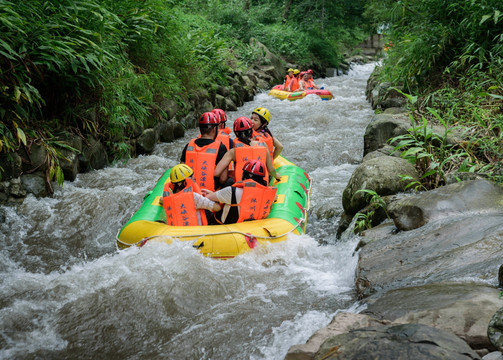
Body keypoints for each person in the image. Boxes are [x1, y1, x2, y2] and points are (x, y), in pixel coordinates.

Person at [202, 160, 277, 224]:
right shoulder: (271, 195)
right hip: (253, 228)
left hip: (225, 227)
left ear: (244, 175)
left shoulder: (231, 191)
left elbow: (207, 198)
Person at [214, 117, 281, 184]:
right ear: (251, 131)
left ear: (236, 133)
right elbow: (271, 170)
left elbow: (217, 173)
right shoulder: (263, 145)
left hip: (241, 189)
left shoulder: (232, 152)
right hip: (261, 187)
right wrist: (277, 176)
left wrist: (228, 173)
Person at [180, 112, 228, 191]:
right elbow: (223, 179)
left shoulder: (188, 145)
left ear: (200, 129)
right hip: (207, 193)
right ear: (214, 129)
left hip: (188, 191)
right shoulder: (221, 148)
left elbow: (181, 170)